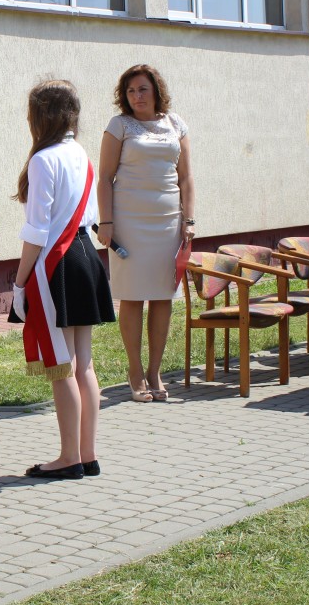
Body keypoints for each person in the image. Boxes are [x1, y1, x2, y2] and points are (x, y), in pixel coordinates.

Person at [11, 81, 115, 479]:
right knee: (83, 364)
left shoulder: (44, 159)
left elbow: (37, 231)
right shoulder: (80, 154)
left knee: (62, 366)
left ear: (41, 116)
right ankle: (87, 455)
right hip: (86, 256)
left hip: (58, 262)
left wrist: (19, 283)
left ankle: (69, 457)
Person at [97, 64, 194, 402]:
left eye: (142, 89)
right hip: (128, 223)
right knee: (133, 296)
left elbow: (186, 178)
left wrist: (189, 221)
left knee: (163, 296)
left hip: (168, 222)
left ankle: (155, 371)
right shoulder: (119, 125)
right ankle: (135, 371)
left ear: (156, 91)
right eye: (130, 91)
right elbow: (104, 177)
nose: (136, 96)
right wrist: (106, 222)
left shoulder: (176, 124)